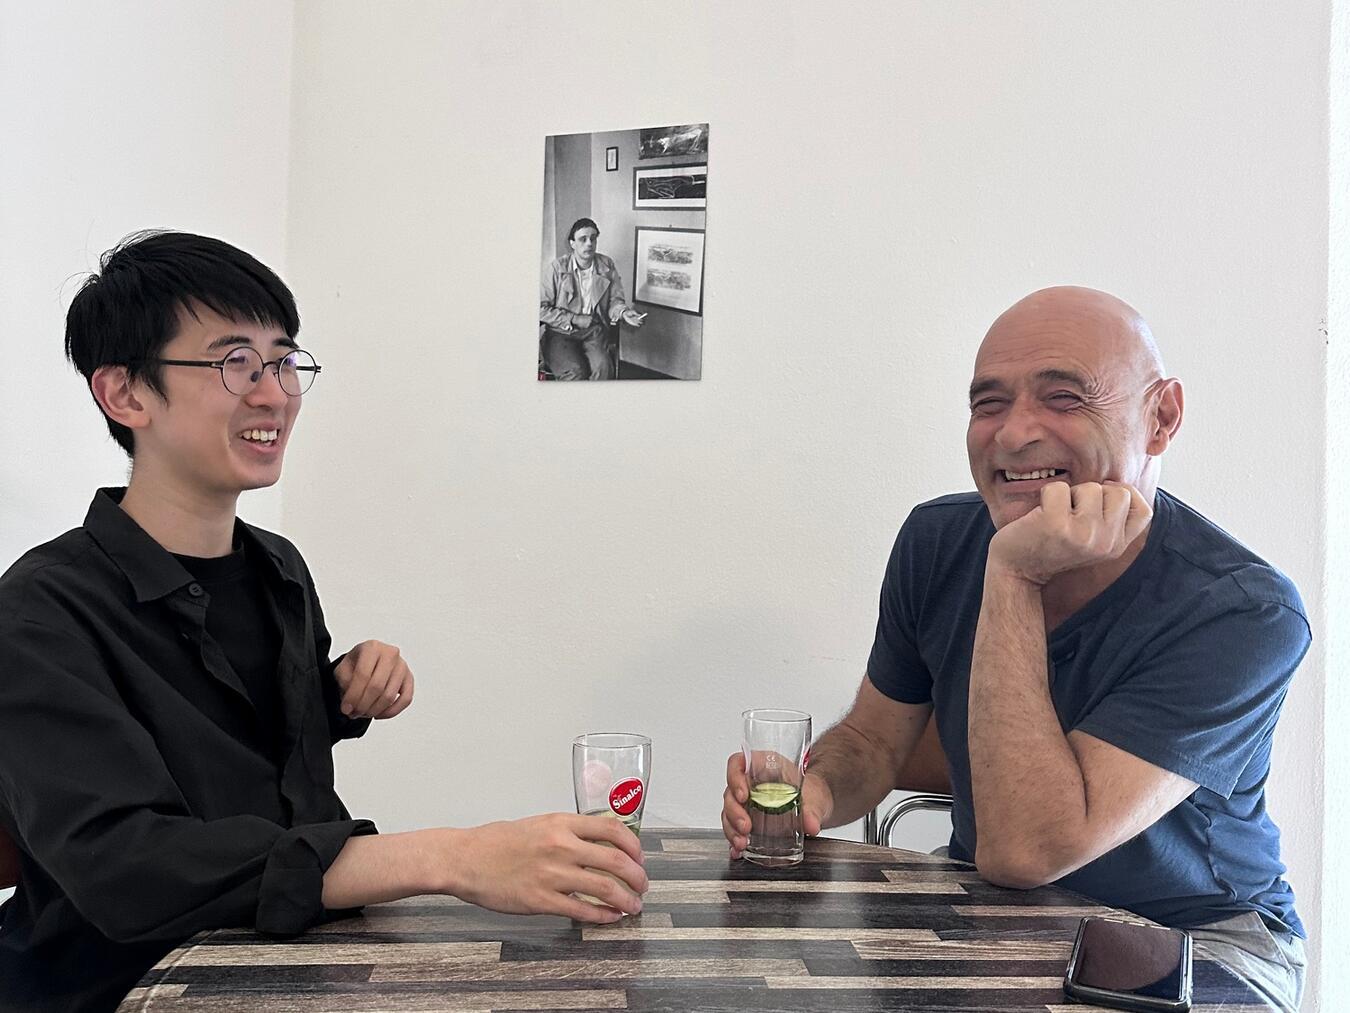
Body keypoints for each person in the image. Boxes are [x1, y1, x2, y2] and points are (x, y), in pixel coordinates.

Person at [0, 231, 647, 1012]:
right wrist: (451, 855)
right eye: (234, 361)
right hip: (118, 989)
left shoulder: (278, 567)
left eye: (283, 360)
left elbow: (251, 755)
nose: (273, 392)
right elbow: (129, 867)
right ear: (125, 394)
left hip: (293, 966)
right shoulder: (40, 609)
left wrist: (339, 694)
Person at [721, 286, 1308, 1012]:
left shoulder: (1243, 610)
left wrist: (1013, 570)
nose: (1013, 432)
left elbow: (1026, 850)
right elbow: (878, 737)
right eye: (988, 402)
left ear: (1162, 417)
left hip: (1196, 935)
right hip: (994, 912)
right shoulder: (934, 542)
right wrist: (816, 789)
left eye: (1064, 397)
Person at [539, 217, 646, 380]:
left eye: (593, 238)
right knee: (575, 372)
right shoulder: (556, 268)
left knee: (604, 368)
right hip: (559, 333)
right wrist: (574, 318)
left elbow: (615, 300)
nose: (589, 243)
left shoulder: (606, 265)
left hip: (593, 331)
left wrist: (624, 312)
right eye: (583, 239)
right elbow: (540, 309)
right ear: (572, 243)